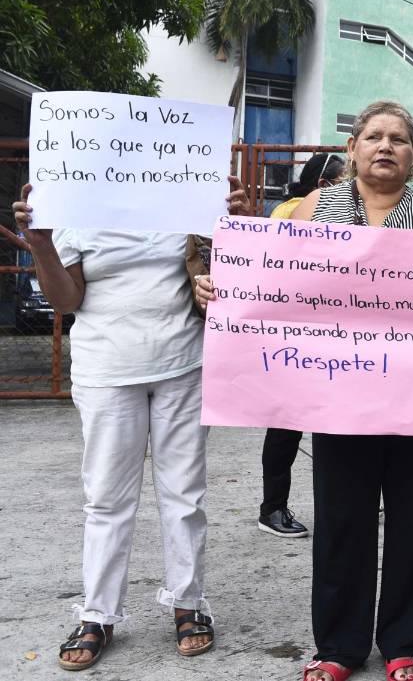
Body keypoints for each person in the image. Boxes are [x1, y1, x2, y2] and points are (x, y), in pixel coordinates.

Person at [198, 101, 413, 681]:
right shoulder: (314, 210)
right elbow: (269, 282)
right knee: (343, 520)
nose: (385, 146)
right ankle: (339, 646)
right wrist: (222, 289)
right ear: (352, 149)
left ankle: (403, 640)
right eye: (373, 136)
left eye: (398, 138)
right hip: (337, 395)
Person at [12, 176, 248, 671]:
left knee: (184, 494)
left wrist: (239, 222)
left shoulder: (191, 200)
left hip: (183, 367)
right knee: (106, 498)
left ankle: (189, 604)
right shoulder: (76, 207)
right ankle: (97, 614)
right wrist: (41, 245)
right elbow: (65, 301)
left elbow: (239, 276)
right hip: (107, 374)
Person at [259, 151, 345, 538]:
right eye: (348, 179)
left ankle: (348, 502)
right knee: (286, 427)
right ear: (324, 187)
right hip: (299, 340)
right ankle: (272, 507)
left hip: (341, 339)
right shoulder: (291, 216)